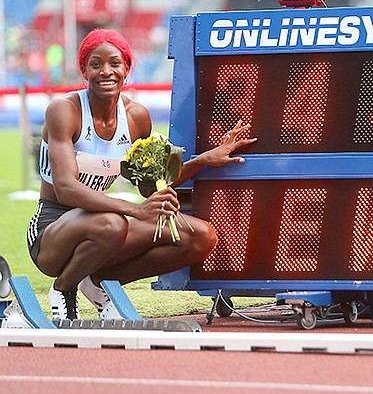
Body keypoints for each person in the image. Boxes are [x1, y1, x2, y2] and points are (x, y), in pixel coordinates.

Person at [26, 28, 257, 320]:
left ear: (127, 68)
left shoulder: (137, 117)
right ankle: (64, 287)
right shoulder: (64, 110)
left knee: (200, 237)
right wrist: (135, 211)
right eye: (96, 65)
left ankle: (99, 282)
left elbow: (154, 185)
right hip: (53, 229)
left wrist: (204, 160)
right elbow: (65, 188)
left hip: (105, 227)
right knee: (112, 224)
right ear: (84, 71)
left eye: (114, 63)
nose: (105, 72)